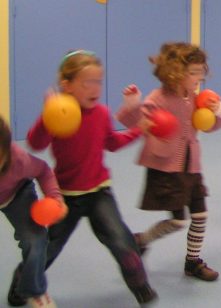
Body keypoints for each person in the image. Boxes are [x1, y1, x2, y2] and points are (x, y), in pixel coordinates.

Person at [24, 50, 156, 304]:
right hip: (65, 197)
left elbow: (112, 143)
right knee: (47, 248)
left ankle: (141, 287)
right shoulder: (59, 114)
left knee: (122, 241)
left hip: (98, 193)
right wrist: (47, 116)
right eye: (88, 82)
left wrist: (138, 130)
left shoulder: (102, 113)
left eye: (99, 81)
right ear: (67, 85)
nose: (95, 88)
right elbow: (35, 143)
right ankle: (22, 286)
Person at [117, 42, 221, 281]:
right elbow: (136, 122)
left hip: (191, 167)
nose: (199, 77)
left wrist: (220, 112)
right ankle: (141, 240)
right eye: (193, 72)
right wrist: (132, 107)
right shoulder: (158, 98)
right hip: (167, 168)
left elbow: (208, 125)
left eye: (201, 71)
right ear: (175, 72)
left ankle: (192, 261)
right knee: (179, 221)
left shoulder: (195, 98)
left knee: (200, 216)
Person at [2, 117, 65, 308]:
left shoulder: (18, 159)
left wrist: (55, 198)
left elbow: (44, 171)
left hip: (16, 194)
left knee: (36, 239)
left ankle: (34, 290)